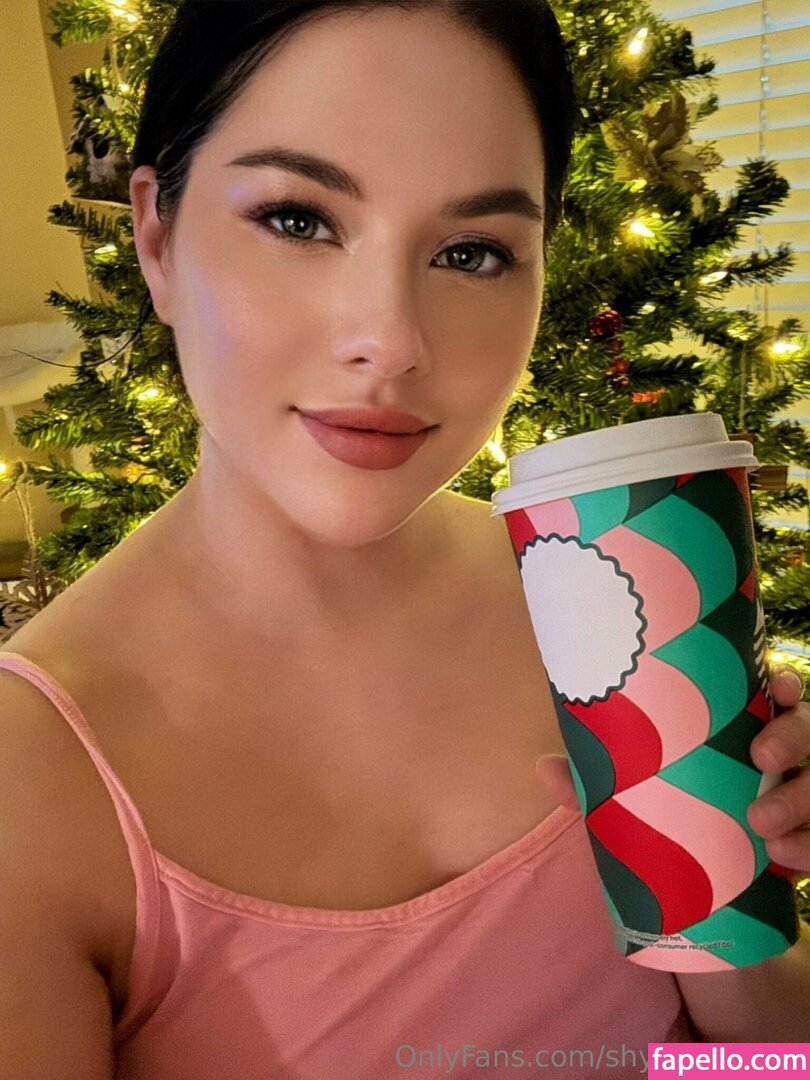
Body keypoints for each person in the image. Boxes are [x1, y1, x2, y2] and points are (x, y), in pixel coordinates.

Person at [1, 2, 809, 1076]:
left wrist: (736, 908)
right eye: (297, 219)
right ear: (156, 237)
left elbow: (754, 1062)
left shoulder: (602, 589)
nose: (390, 341)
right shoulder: (31, 786)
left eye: (473, 252)